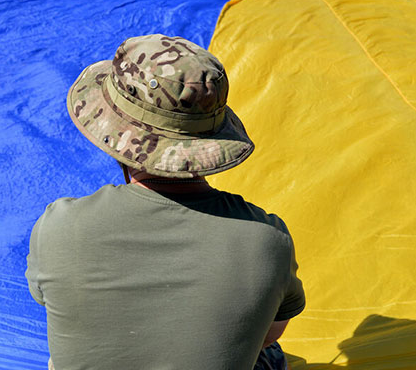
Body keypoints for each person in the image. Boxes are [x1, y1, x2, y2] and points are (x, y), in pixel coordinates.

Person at [25, 34, 305, 370]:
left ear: (115, 133)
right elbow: (269, 332)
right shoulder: (268, 239)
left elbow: (51, 302)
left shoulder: (58, 227)